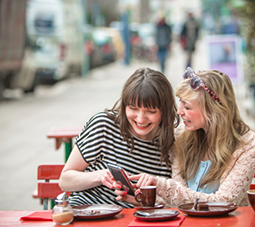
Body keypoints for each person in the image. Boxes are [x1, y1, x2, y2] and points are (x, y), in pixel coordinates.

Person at [115, 67, 255, 207]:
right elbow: (180, 203)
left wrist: (162, 185)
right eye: (180, 103)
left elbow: (223, 202)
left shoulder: (248, 146)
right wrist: (145, 201)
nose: (179, 111)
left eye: (187, 107)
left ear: (212, 111)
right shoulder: (181, 136)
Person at [59, 67, 180, 208]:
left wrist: (143, 200)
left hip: (137, 219)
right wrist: (99, 176)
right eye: (133, 109)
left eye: (151, 111)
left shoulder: (172, 142)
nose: (141, 119)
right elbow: (64, 180)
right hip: (87, 211)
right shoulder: (104, 125)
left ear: (164, 111)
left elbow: (173, 201)